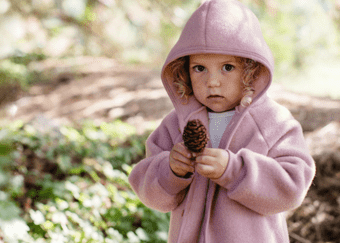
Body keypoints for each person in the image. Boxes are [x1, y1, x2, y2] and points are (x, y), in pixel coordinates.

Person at [128, 0, 316, 242]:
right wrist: (171, 170)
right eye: (199, 68)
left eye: (227, 67)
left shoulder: (272, 123)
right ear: (184, 70)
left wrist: (235, 170)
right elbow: (150, 191)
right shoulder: (176, 123)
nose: (212, 81)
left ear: (251, 70)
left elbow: (292, 185)